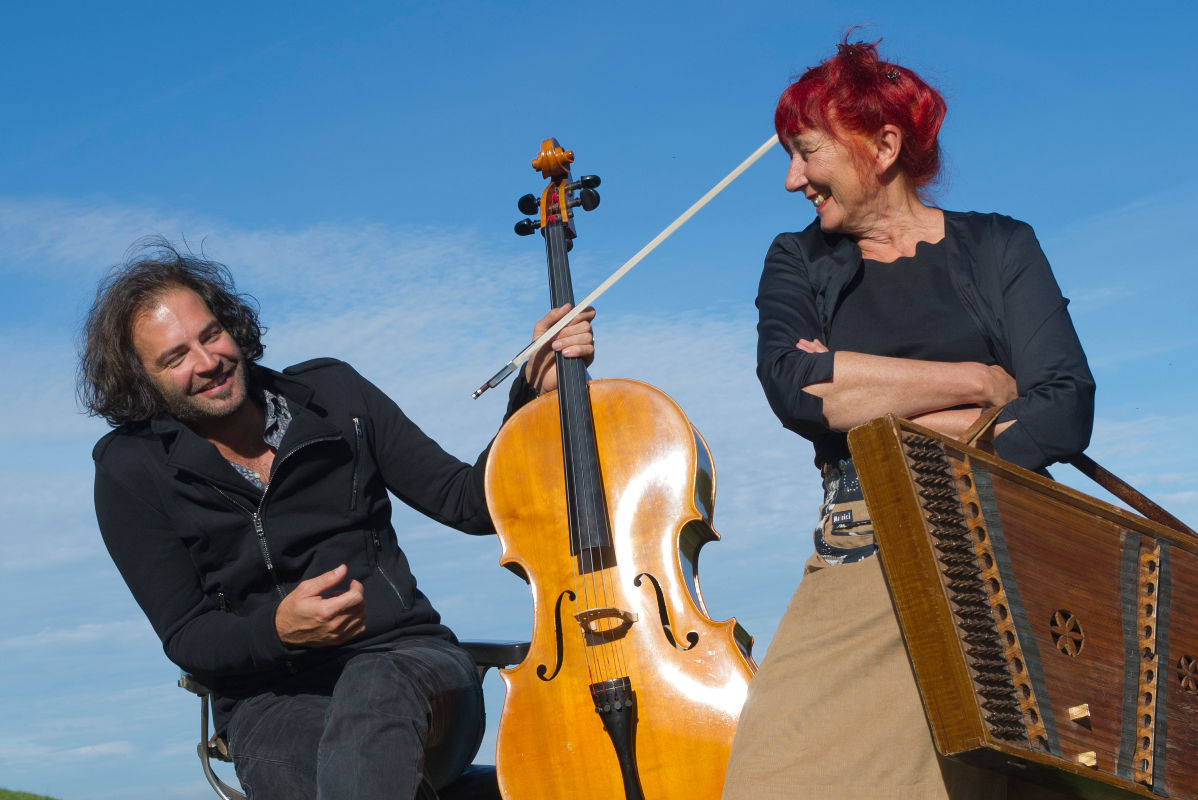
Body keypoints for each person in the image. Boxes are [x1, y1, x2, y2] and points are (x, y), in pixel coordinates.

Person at [77, 238, 595, 800]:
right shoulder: (131, 471)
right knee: (334, 768)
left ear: (231, 325)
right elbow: (187, 635)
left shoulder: (335, 394)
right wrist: (277, 630)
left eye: (210, 335)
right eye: (174, 357)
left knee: (375, 685)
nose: (207, 363)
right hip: (270, 704)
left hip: (415, 665)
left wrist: (529, 395)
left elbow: (469, 502)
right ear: (141, 379)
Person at [721, 38, 1094, 800]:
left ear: (884, 145)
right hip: (861, 549)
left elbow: (1063, 407)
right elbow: (798, 390)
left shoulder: (1000, 245)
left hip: (1009, 551)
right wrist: (981, 382)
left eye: (805, 151)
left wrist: (863, 388)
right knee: (771, 777)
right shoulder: (796, 260)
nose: (792, 178)